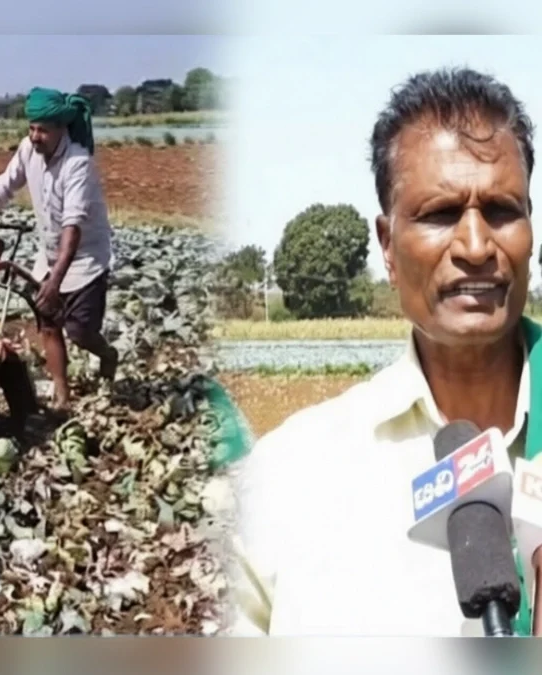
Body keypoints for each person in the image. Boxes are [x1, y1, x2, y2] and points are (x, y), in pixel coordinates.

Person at [228, 66, 540, 636]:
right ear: (388, 246)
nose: (476, 246)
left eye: (502, 210)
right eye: (440, 214)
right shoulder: (289, 477)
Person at [0, 87, 119, 413]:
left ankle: (107, 354)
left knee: (80, 331)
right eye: (32, 128)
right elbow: (7, 183)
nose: (35, 136)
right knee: (48, 323)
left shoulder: (78, 163)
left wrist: (55, 281)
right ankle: (61, 395)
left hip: (85, 257)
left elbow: (73, 227)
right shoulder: (28, 150)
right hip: (48, 253)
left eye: (43, 130)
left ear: (61, 128)